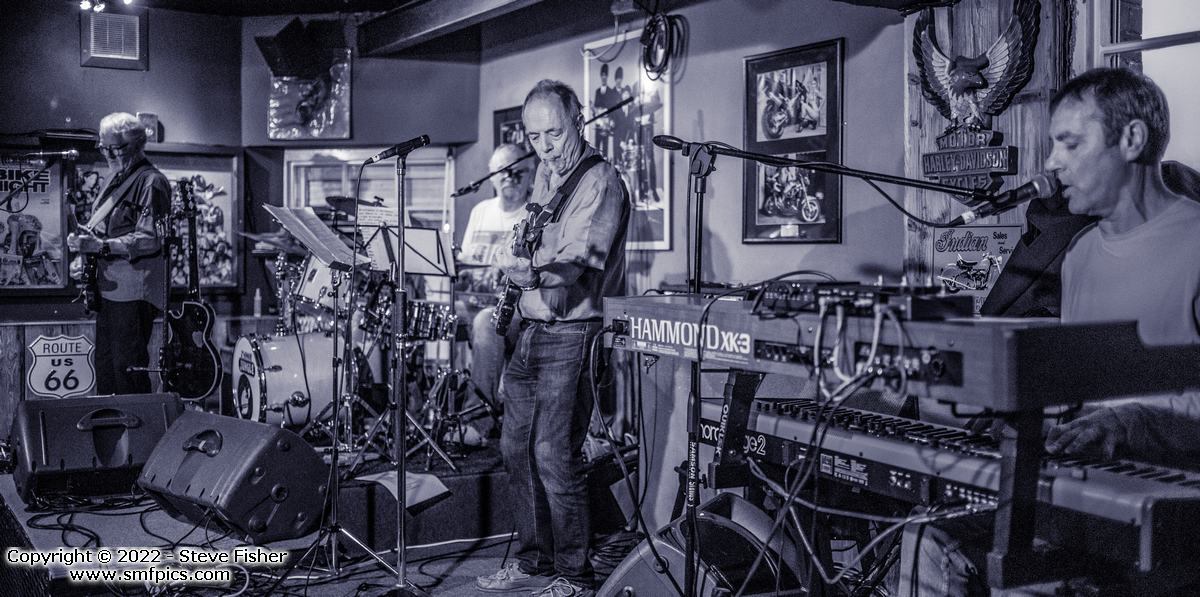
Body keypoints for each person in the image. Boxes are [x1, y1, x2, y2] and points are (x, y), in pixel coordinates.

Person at [899, 67, 1200, 596]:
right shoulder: (1079, 253)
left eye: (1070, 143)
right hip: (1082, 492)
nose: (1052, 163)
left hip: (1171, 508)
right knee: (925, 537)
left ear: (1132, 139)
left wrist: (1129, 422)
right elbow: (1082, 385)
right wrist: (1021, 416)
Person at [475, 80, 629, 597]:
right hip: (532, 327)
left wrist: (530, 273)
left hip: (574, 331)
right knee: (515, 448)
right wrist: (518, 257)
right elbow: (537, 236)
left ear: (578, 121)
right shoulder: (545, 172)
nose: (545, 148)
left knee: (553, 453)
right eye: (535, 137)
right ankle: (536, 561)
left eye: (554, 134)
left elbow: (576, 264)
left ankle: (575, 575)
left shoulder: (601, 182)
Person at [68, 112, 170, 395]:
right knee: (106, 371)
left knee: (128, 373)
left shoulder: (152, 182)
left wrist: (99, 247)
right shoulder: (113, 178)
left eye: (115, 148)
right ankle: (112, 423)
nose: (108, 154)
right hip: (108, 290)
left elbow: (150, 239)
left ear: (136, 144)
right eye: (104, 147)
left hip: (134, 291)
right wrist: (84, 250)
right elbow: (104, 231)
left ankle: (138, 425)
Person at [458, 143, 535, 443]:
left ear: (530, 174)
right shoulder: (480, 212)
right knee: (423, 313)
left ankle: (477, 420)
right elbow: (467, 262)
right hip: (472, 301)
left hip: (515, 309)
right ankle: (427, 409)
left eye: (518, 171)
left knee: (485, 324)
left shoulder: (533, 214)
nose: (509, 177)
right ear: (491, 176)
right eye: (502, 171)